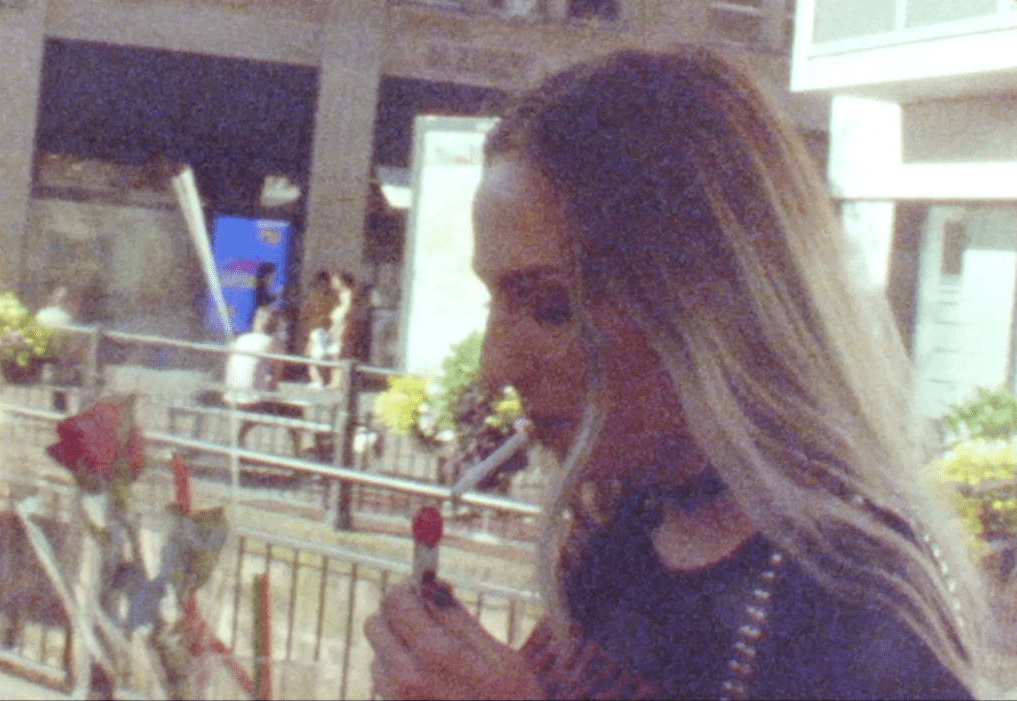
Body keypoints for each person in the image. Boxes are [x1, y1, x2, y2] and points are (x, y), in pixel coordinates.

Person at [364, 47, 992, 699]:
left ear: (707, 301)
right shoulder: (623, 525)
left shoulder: (858, 609)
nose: (495, 368)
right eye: (493, 301)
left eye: (552, 307)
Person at [223, 306, 303, 456]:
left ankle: (238, 440)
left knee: (255, 407)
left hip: (230, 396)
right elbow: (276, 380)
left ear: (256, 322)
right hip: (253, 401)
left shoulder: (241, 339)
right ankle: (298, 453)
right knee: (296, 412)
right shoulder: (273, 343)